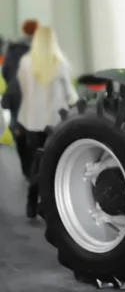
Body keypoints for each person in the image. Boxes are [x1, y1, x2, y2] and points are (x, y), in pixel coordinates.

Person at [16, 26, 79, 218]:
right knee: (55, 163)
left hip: (33, 121)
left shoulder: (26, 62)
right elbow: (71, 94)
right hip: (55, 123)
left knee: (37, 161)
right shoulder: (60, 63)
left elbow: (23, 88)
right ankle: (52, 206)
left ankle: (31, 202)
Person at [1, 19, 39, 178]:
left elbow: (6, 72)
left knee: (19, 131)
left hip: (17, 95)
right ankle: (35, 170)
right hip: (35, 96)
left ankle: (27, 169)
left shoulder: (14, 49)